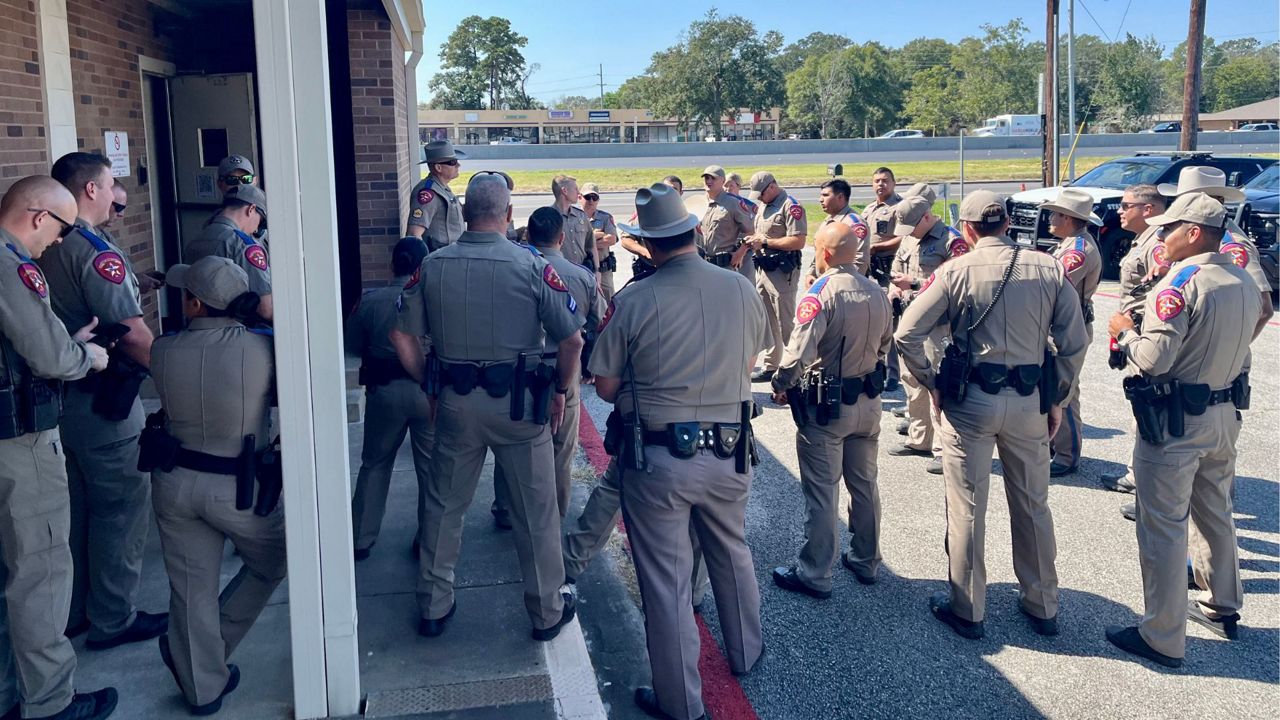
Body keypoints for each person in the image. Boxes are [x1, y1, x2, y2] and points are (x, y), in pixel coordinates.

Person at [591, 182, 765, 720]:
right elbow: (755, 352)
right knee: (731, 554)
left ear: (651, 244)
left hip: (661, 460)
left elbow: (603, 385)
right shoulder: (740, 289)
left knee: (666, 582)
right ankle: (746, 655)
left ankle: (682, 703)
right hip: (732, 450)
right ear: (692, 233)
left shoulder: (635, 299)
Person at [390, 174, 583, 641]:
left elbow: (400, 333)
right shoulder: (532, 265)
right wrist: (559, 389)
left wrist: (427, 381)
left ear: (465, 213)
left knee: (444, 505)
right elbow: (572, 338)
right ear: (509, 214)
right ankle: (545, 612)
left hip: (455, 403)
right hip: (520, 408)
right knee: (535, 512)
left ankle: (434, 606)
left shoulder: (432, 266)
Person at [896, 190, 1088, 640]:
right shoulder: (1048, 266)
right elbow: (1074, 343)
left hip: (971, 401)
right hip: (1027, 401)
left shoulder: (954, 270)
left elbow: (907, 333)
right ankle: (1042, 604)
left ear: (966, 229)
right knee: (1033, 503)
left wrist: (933, 384)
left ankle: (969, 607)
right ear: (1007, 224)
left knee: (967, 506)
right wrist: (1057, 397)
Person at [1103, 192, 1260, 669]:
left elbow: (1154, 360)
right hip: (1223, 414)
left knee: (1164, 526)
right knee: (1215, 512)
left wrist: (1124, 331)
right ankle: (1222, 604)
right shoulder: (1242, 276)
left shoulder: (1180, 283)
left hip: (1176, 424)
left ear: (1194, 233)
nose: (1160, 236)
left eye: (1169, 229)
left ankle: (1162, 635)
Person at [146, 256, 285, 714]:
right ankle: (209, 648)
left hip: (175, 481)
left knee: (190, 588)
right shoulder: (264, 348)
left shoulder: (163, 349)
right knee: (274, 561)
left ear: (195, 304)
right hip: (239, 487)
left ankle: (201, 683)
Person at [0, 175, 116, 720]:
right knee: (40, 573)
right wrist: (82, 358)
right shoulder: (11, 264)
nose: (60, 243)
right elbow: (49, 356)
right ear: (38, 216)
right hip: (19, 442)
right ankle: (50, 704)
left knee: (7, 576)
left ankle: (9, 695)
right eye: (63, 229)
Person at [41, 152, 167, 649]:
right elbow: (133, 335)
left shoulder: (42, 243)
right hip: (104, 404)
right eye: (110, 183)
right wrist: (175, 381)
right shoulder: (92, 251)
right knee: (119, 509)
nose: (116, 192)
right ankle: (113, 618)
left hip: (57, 404)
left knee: (74, 514)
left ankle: (71, 613)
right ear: (91, 189)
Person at [769, 222, 891, 597]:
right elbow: (887, 344)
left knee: (823, 493)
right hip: (868, 402)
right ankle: (866, 559)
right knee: (864, 485)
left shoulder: (821, 292)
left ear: (822, 254)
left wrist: (780, 384)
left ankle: (814, 573)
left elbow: (798, 354)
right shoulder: (876, 291)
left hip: (828, 408)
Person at [492, 207, 602, 519]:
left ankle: (505, 507)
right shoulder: (582, 277)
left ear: (527, 235)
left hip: (519, 368)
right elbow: (601, 324)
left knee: (511, 442)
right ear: (562, 238)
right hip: (562, 368)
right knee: (560, 447)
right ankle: (554, 512)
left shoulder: (510, 271)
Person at [347, 237, 432, 562]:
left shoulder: (370, 301)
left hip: (384, 392)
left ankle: (360, 538)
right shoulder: (432, 298)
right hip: (427, 390)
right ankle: (428, 539)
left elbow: (352, 345)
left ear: (392, 265)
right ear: (422, 267)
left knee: (375, 463)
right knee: (431, 469)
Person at [1099, 185, 1168, 495]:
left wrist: (1133, 332)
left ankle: (1147, 484)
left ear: (1149, 209)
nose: (1120, 212)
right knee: (1141, 407)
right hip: (1133, 329)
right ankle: (1139, 475)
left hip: (1145, 332)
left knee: (1148, 407)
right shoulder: (1146, 240)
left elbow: (1161, 293)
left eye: (1127, 206)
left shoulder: (1159, 244)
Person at [887, 195, 965, 463]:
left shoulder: (952, 241)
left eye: (911, 226)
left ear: (926, 217)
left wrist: (916, 284)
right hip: (910, 319)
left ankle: (945, 450)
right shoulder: (910, 236)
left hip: (938, 325)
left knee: (937, 381)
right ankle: (920, 439)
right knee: (911, 379)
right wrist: (895, 287)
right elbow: (897, 267)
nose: (907, 232)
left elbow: (958, 283)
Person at [1039, 188, 1102, 477]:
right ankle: (1056, 447)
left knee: (1064, 392)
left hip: (1068, 328)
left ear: (1069, 218)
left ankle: (1067, 455)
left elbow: (1052, 284)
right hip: (1061, 324)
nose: (1050, 218)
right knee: (1054, 386)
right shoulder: (1070, 244)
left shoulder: (1078, 250)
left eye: (1056, 214)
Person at [746, 171, 807, 384]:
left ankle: (794, 370)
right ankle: (772, 366)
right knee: (768, 321)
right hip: (764, 269)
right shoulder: (764, 205)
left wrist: (765, 243)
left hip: (783, 272)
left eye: (762, 193)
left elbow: (798, 241)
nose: (760, 198)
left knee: (786, 322)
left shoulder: (791, 207)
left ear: (772, 187)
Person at [187, 184, 273, 321]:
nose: (257, 229)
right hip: (240, 332)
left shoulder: (197, 239)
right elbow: (266, 309)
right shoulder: (243, 244)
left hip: (197, 327)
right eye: (260, 221)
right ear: (251, 209)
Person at [863, 167, 903, 389]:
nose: (881, 184)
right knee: (874, 322)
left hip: (889, 270)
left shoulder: (899, 208)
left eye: (885, 180)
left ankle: (894, 374)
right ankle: (877, 368)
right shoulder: (868, 209)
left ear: (894, 183)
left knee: (891, 323)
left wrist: (876, 248)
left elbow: (901, 238)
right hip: (870, 271)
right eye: (877, 180)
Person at [805, 179, 870, 284]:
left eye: (826, 195)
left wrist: (842, 284)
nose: (820, 199)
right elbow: (820, 251)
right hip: (823, 283)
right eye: (821, 195)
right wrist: (810, 274)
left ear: (840, 197)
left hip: (843, 285)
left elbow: (860, 261)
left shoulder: (854, 224)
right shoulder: (827, 221)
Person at [699, 165, 756, 282]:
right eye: (706, 178)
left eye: (713, 178)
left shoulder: (733, 203)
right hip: (705, 265)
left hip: (725, 265)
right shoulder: (701, 203)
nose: (708, 181)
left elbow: (751, 230)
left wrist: (740, 252)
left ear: (723, 181)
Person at [407, 140, 465, 252]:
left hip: (450, 255)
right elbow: (414, 234)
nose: (458, 165)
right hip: (438, 260)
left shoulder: (442, 188)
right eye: (452, 162)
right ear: (438, 168)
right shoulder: (428, 192)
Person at [620, 176, 681, 281]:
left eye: (674, 190)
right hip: (649, 273)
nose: (670, 193)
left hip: (677, 273)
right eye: (666, 189)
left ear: (681, 193)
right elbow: (625, 240)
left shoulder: (686, 219)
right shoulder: (646, 215)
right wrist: (644, 251)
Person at [552, 175, 598, 271]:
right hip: (559, 273)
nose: (578, 193)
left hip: (582, 272)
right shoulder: (548, 217)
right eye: (575, 189)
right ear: (564, 191)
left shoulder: (581, 216)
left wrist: (597, 271)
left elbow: (591, 245)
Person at [581, 183, 618, 299]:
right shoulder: (574, 217)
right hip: (581, 268)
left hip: (603, 270)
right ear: (579, 197)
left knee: (608, 301)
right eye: (587, 197)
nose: (591, 200)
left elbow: (611, 239)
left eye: (594, 197)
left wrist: (586, 243)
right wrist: (595, 236)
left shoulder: (605, 218)